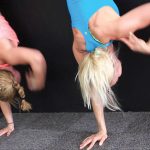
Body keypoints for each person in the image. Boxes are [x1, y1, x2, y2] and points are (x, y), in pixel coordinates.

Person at [66, 1, 150, 149]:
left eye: (117, 75)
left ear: (113, 64)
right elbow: (95, 89)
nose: (120, 74)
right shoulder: (81, 49)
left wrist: (147, 48)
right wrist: (101, 130)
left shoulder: (116, 28)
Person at [0, 13, 47, 136]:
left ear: (14, 77)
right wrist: (10, 124)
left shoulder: (9, 55)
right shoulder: (8, 57)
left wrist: (38, 81)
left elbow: (37, 58)